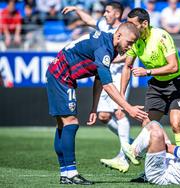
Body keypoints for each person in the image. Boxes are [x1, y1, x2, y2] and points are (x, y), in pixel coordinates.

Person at [46, 22, 148, 185]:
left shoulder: (109, 44)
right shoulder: (105, 49)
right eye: (129, 43)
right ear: (119, 35)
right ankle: (71, 174)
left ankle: (66, 173)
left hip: (58, 73)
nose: (130, 48)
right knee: (70, 123)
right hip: (61, 75)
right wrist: (128, 108)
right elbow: (108, 84)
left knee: (62, 125)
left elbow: (99, 77)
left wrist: (94, 107)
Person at [62, 1, 133, 173]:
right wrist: (78, 9)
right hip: (103, 75)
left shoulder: (127, 33)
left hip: (115, 75)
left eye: (107, 11)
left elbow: (129, 56)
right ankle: (130, 143)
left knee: (119, 111)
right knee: (102, 116)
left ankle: (125, 153)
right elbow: (89, 21)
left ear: (117, 14)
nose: (104, 14)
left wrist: (105, 60)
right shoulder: (103, 26)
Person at [121, 8, 180, 147]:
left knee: (176, 123)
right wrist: (121, 96)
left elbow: (173, 67)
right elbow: (126, 66)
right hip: (157, 84)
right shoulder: (135, 40)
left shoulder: (161, 36)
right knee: (148, 125)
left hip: (177, 82)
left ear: (144, 23)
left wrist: (147, 72)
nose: (129, 28)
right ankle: (163, 161)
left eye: (133, 24)